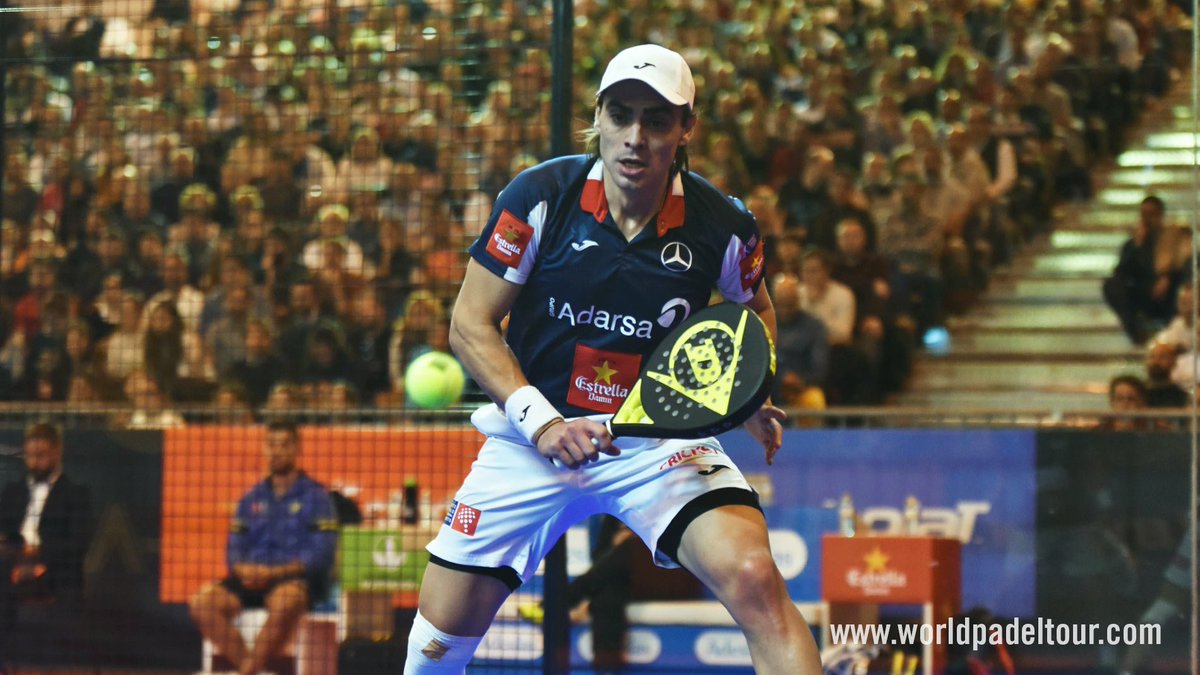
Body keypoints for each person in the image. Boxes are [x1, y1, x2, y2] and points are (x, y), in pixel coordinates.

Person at [403, 44, 821, 675]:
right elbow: (469, 325)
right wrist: (544, 424)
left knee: (755, 577)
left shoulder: (724, 225)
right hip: (532, 438)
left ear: (686, 129)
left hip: (658, 442)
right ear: (597, 116)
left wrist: (750, 390)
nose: (635, 138)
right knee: (437, 640)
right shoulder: (540, 196)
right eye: (620, 115)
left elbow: (753, 311)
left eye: (657, 121)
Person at [188, 421, 338, 675]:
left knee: (286, 602)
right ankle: (254, 671)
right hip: (251, 579)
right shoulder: (251, 498)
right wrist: (244, 570)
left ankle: (246, 671)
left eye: (284, 445)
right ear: (264, 448)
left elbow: (321, 554)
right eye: (271, 445)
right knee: (202, 603)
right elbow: (234, 550)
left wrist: (274, 573)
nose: (276, 451)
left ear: (297, 449)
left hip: (293, 580)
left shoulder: (317, 497)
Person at [0, 421, 93, 663]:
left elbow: (77, 543)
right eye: (29, 456)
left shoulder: (76, 494)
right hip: (12, 561)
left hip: (54, 569)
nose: (34, 462)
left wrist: (39, 564)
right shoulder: (13, 491)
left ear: (57, 452)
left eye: (40, 455)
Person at [1102, 196, 1189, 345]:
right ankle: (1136, 331)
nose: (1148, 219)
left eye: (1152, 214)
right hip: (1145, 295)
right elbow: (1121, 273)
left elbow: (1186, 264)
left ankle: (1175, 331)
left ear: (1160, 215)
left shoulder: (1173, 238)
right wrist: (1138, 246)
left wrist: (1168, 277)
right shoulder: (1133, 245)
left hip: (1171, 296)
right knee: (1111, 285)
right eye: (1144, 214)